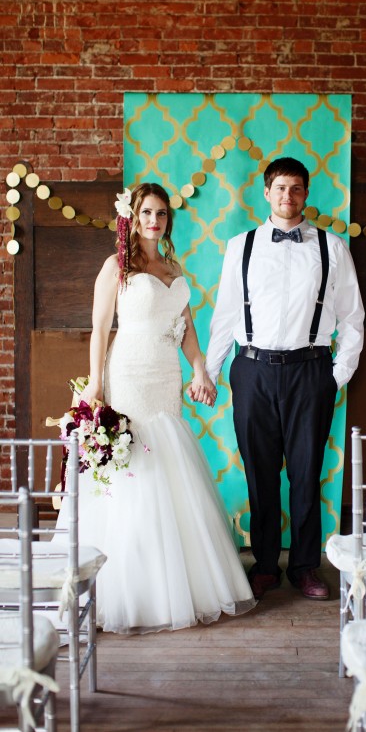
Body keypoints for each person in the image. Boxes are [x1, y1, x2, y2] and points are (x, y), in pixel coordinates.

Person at [56, 182, 256, 633]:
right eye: (147, 212)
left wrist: (201, 369)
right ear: (133, 215)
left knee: (167, 464)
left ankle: (173, 588)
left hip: (167, 376)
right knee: (132, 470)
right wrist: (96, 387)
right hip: (128, 372)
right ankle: (125, 591)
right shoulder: (117, 267)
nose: (154, 220)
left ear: (168, 220)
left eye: (162, 213)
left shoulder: (173, 266)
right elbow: (100, 327)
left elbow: (185, 327)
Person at [204, 157, 364, 601]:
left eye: (295, 188)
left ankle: (306, 566)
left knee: (306, 472)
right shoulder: (242, 245)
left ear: (307, 195)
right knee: (260, 474)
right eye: (279, 188)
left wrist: (336, 375)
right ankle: (265, 563)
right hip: (252, 369)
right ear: (266, 192)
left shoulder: (333, 248)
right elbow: (226, 314)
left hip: (310, 371)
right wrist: (210, 371)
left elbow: (353, 318)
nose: (287, 196)